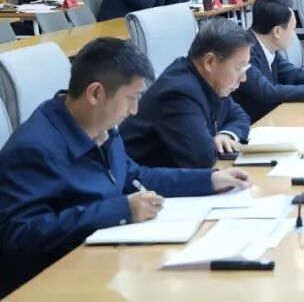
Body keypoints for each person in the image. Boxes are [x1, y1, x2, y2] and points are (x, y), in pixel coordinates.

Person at [0, 38, 250, 296]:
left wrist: (209, 180)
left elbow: (135, 176)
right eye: (131, 98)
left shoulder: (102, 126)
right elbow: (20, 234)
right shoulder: (34, 148)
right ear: (95, 93)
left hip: (104, 264)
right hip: (54, 284)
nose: (134, 110)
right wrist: (121, 210)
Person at [118, 19, 252, 168]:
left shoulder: (211, 82)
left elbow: (241, 117)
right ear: (209, 62)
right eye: (239, 68)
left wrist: (225, 135)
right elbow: (202, 158)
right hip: (140, 178)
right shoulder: (179, 93)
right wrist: (213, 143)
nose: (243, 78)